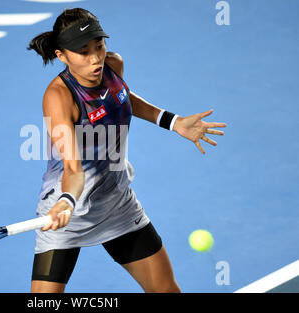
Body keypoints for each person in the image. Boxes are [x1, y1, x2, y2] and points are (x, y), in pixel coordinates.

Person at [26, 8, 226, 293]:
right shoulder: (58, 97)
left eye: (99, 46)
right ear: (62, 55)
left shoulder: (113, 65)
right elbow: (73, 169)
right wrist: (67, 201)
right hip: (69, 212)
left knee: (167, 291)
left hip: (116, 202)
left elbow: (122, 96)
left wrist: (172, 122)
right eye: (83, 52)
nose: (95, 58)